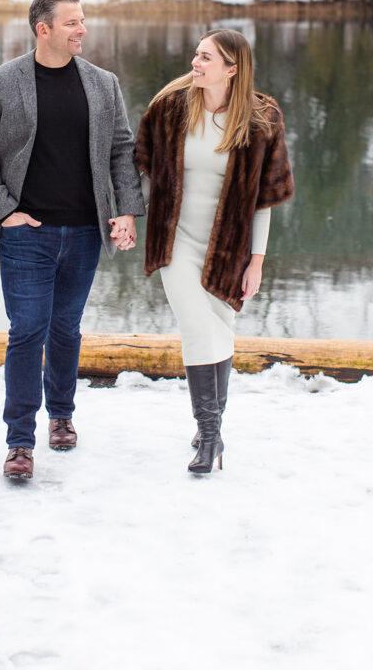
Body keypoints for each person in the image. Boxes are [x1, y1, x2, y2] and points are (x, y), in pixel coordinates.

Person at [0, 0, 144, 481]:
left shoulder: (103, 84)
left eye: (82, 21)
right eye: (71, 23)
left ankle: (61, 415)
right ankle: (19, 441)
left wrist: (126, 210)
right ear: (43, 29)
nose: (81, 29)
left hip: (85, 231)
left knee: (66, 329)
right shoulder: (0, 83)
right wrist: (5, 212)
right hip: (27, 234)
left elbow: (121, 151)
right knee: (27, 331)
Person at [135, 28, 294, 475]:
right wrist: (128, 216)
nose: (195, 63)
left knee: (220, 328)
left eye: (206, 58)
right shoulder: (170, 108)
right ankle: (209, 436)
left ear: (232, 68)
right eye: (196, 54)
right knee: (196, 327)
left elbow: (264, 199)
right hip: (175, 240)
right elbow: (145, 173)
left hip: (229, 246)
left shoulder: (261, 119)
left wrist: (257, 260)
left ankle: (213, 430)